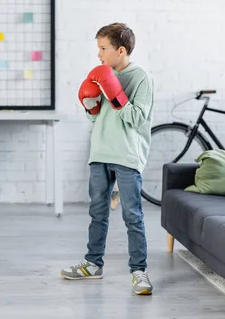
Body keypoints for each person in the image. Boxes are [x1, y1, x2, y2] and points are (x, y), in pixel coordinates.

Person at [61, 22, 154, 295]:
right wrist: (90, 105)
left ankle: (139, 272)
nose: (99, 55)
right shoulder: (103, 74)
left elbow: (137, 118)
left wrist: (116, 95)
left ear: (121, 50)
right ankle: (93, 264)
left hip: (126, 154)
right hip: (100, 151)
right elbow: (97, 117)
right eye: (98, 49)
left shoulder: (141, 78)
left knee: (132, 215)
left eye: (103, 49)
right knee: (97, 212)